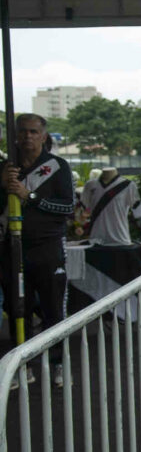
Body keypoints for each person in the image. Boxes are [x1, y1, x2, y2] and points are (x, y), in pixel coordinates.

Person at [0, 113, 75, 388]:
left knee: (52, 309)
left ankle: (57, 364)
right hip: (12, 249)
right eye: (22, 132)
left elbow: (67, 208)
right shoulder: (7, 167)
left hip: (47, 248)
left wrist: (29, 196)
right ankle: (23, 367)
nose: (27, 137)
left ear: (43, 136)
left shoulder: (58, 166)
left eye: (33, 132)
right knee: (17, 308)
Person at [81, 167, 141, 246]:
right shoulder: (90, 185)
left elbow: (138, 211)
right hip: (95, 239)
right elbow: (84, 209)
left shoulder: (128, 185)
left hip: (120, 238)